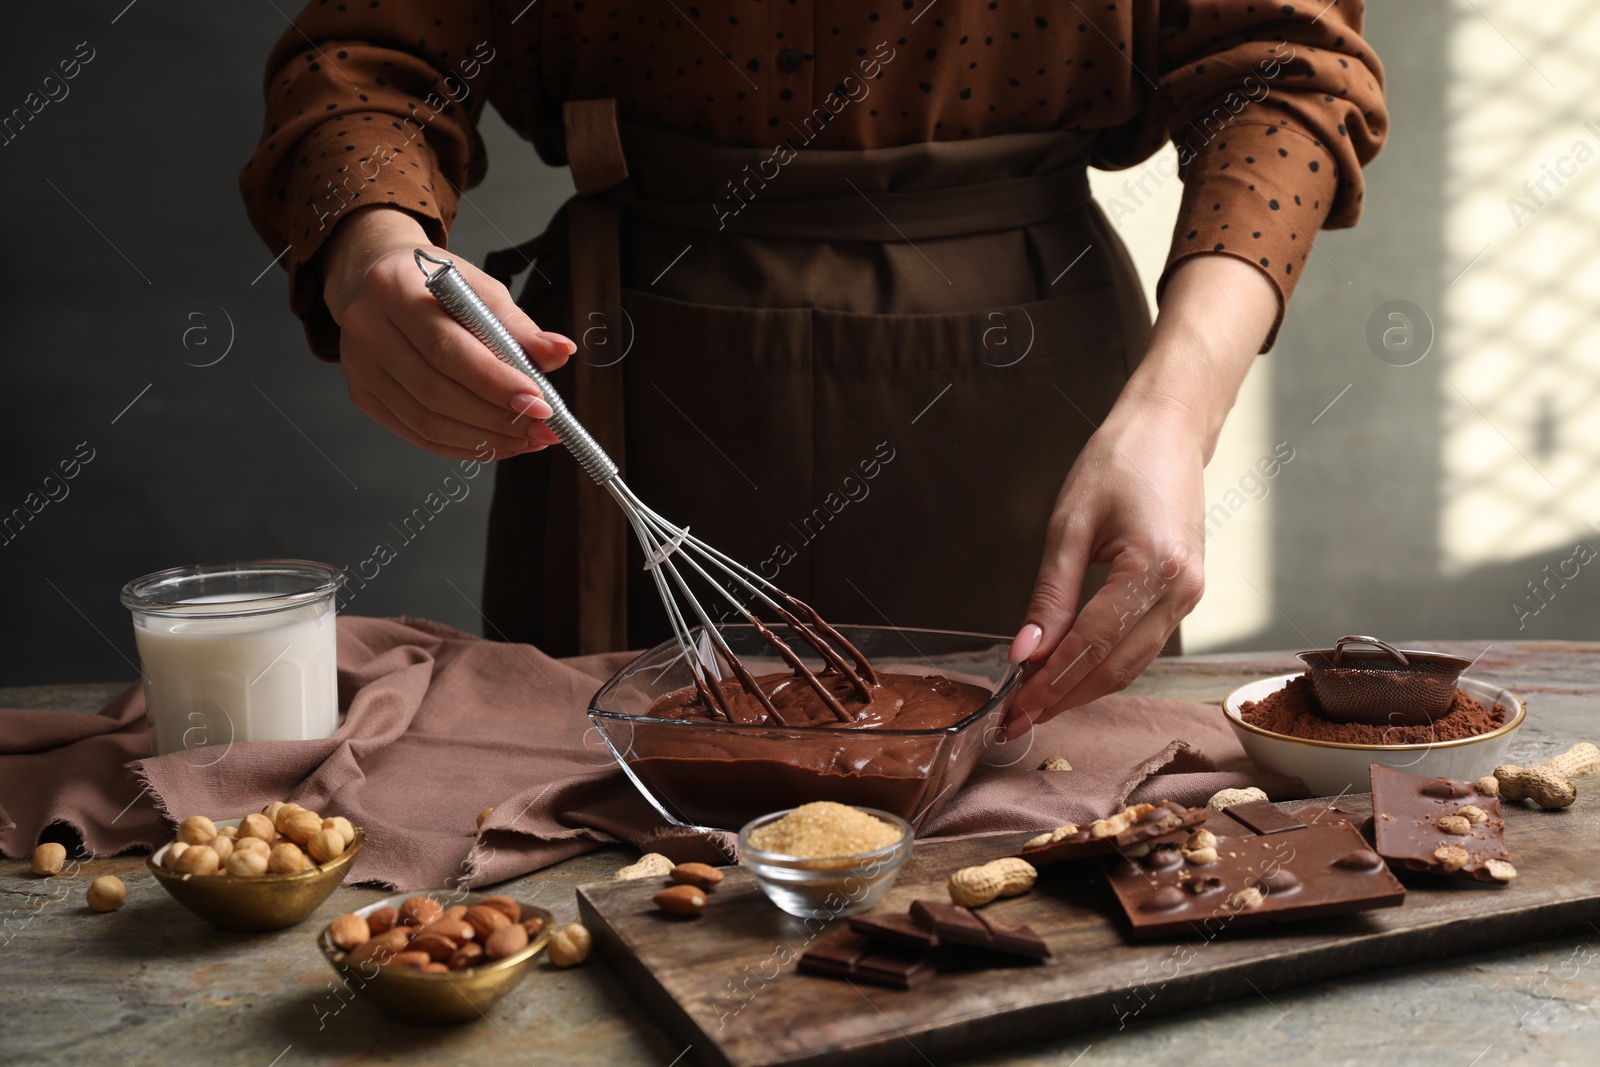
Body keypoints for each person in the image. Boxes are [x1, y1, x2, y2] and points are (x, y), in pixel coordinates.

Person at [240, 2, 1385, 740]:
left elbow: (1284, 75)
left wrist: (1174, 418)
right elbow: (365, 64)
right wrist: (373, 254)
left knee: (1058, 851)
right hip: (630, 384)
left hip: (1034, 417)